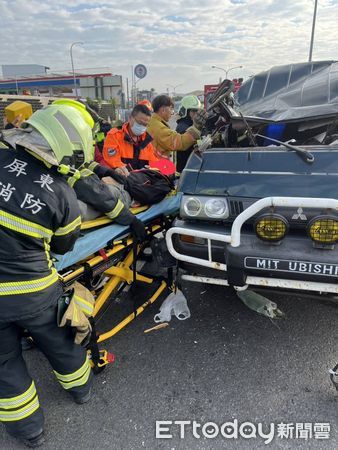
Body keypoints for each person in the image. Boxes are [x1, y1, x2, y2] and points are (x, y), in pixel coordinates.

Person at [0, 104, 94, 448]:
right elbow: (64, 245)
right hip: (35, 292)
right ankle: (81, 390)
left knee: (4, 366)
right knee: (62, 342)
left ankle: (29, 432)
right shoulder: (60, 192)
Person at [103, 104, 158, 176]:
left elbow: (154, 163)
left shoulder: (146, 141)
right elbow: (113, 161)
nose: (142, 127)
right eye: (140, 123)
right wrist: (132, 174)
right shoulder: (114, 136)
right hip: (120, 181)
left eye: (145, 125)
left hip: (141, 183)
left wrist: (168, 169)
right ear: (130, 118)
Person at [146, 95, 207, 159]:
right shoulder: (158, 127)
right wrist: (196, 127)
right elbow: (180, 142)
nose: (172, 112)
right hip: (159, 166)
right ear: (163, 109)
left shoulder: (154, 123)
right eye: (171, 108)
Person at [175, 95, 203, 172]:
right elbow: (193, 145)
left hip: (190, 167)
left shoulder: (192, 124)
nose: (196, 114)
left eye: (197, 111)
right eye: (193, 111)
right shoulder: (183, 127)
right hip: (185, 169)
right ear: (186, 112)